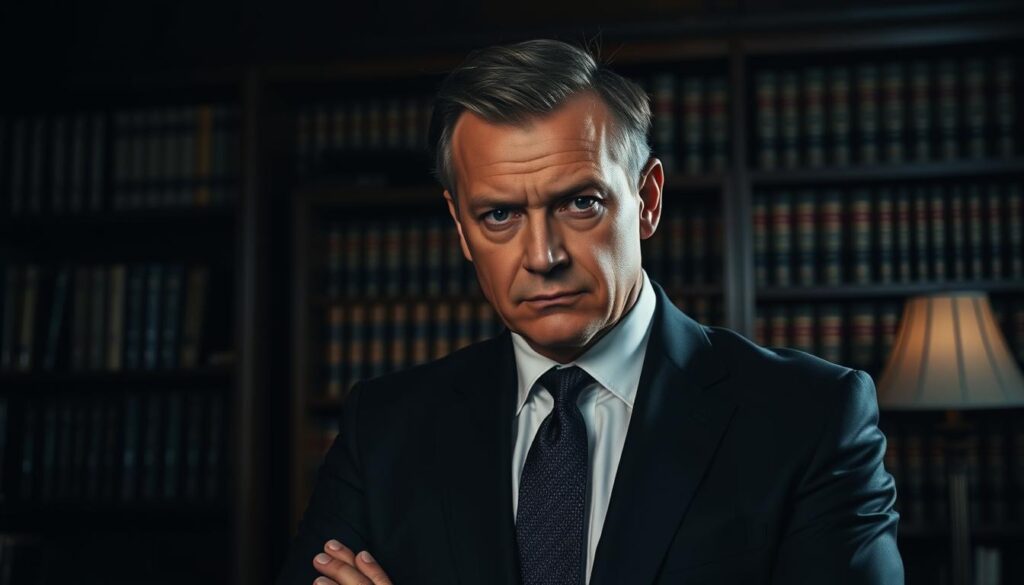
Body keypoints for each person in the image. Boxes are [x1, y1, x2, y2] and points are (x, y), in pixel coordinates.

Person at [274, 39, 904, 585]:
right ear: (460, 230)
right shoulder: (383, 429)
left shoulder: (812, 418)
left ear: (648, 200)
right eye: (500, 215)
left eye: (580, 204)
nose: (542, 256)